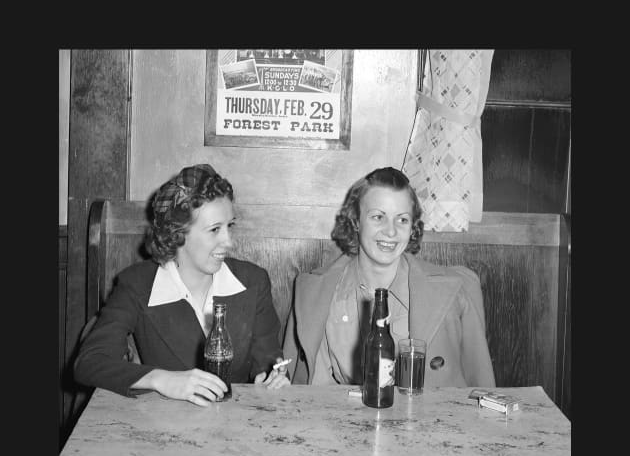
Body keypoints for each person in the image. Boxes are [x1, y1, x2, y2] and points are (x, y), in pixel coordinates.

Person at [74, 164, 289, 406]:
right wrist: (160, 380)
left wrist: (272, 376)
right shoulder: (137, 285)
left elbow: (269, 358)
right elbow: (89, 362)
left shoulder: (253, 281)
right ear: (178, 234)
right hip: (164, 428)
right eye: (215, 229)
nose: (228, 241)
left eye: (230, 226)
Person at [283, 167, 496, 388]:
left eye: (402, 220)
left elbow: (481, 389)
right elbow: (301, 390)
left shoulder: (457, 291)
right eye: (378, 217)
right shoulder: (313, 292)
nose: (391, 232)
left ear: (412, 226)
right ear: (356, 221)